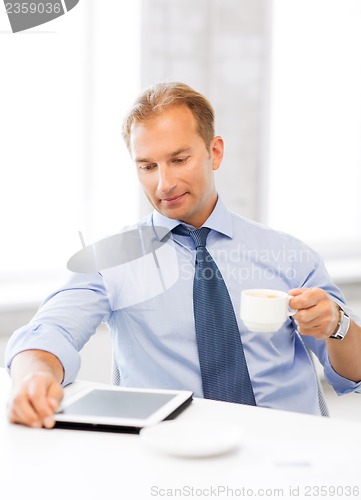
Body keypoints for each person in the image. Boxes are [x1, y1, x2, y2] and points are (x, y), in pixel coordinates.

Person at [6, 82, 361, 428]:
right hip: (173, 455)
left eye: (179, 159)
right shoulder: (111, 259)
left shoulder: (289, 254)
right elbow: (50, 331)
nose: (164, 184)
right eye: (147, 166)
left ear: (215, 152)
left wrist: (337, 324)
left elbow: (353, 373)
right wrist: (34, 377)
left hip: (291, 453)